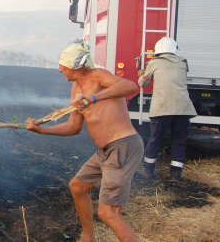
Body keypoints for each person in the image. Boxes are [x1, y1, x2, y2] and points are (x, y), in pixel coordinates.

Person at [26, 40, 142, 242]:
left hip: (123, 146)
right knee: (78, 187)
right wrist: (42, 130)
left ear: (76, 66)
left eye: (63, 65)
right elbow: (73, 127)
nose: (60, 69)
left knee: (108, 213)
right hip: (105, 151)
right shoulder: (76, 90)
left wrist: (94, 98)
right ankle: (88, 237)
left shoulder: (98, 76)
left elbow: (130, 86)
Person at [138, 37, 196, 180]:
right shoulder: (183, 63)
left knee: (155, 139)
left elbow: (143, 83)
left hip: (162, 108)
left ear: (158, 50)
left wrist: (141, 73)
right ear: (174, 49)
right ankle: (176, 174)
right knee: (179, 140)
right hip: (182, 109)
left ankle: (148, 172)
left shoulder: (153, 63)